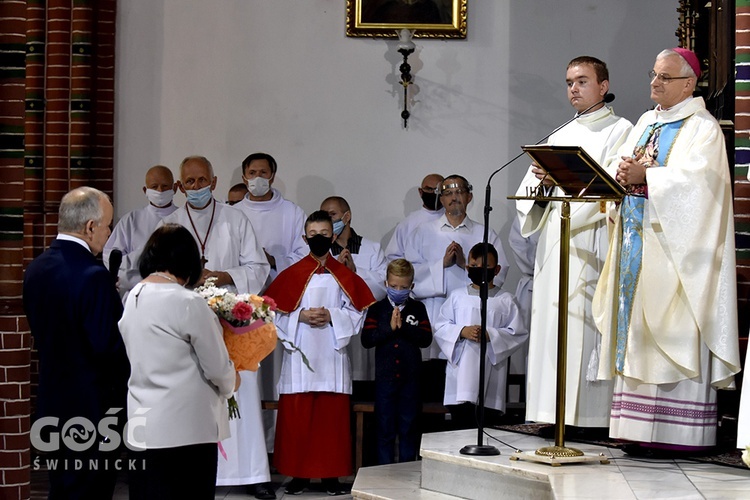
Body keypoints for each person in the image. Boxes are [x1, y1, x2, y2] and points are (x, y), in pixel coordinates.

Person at [593, 48, 741, 452]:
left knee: (670, 333)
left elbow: (702, 190)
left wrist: (648, 177)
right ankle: (635, 431)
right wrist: (623, 177)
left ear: (689, 84)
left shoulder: (703, 129)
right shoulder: (646, 121)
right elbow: (630, 168)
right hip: (638, 247)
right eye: (653, 74)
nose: (654, 83)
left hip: (676, 255)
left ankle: (678, 433)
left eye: (665, 77)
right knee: (638, 333)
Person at [513, 56, 633, 432]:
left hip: (592, 241)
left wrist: (564, 194)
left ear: (603, 85)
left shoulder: (622, 130)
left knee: (584, 327)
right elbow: (529, 197)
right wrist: (544, 184)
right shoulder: (561, 133)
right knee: (553, 326)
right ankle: (551, 413)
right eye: (568, 82)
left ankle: (589, 417)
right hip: (556, 240)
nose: (574, 89)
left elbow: (616, 188)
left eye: (582, 81)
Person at [159, 155, 273, 499]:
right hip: (188, 318)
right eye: (189, 182)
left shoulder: (236, 219)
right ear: (180, 187)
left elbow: (258, 266)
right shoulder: (172, 226)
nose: (196, 187)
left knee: (241, 392)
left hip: (232, 317)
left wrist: (223, 276)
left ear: (215, 180)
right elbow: (160, 270)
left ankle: (251, 473)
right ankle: (199, 473)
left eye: (202, 180)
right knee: (196, 396)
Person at [119, 224, 240, 499]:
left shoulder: (133, 296)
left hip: (143, 423)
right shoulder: (187, 302)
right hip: (186, 430)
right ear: (187, 260)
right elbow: (217, 367)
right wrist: (232, 381)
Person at [23, 186, 130, 499]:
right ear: (90, 227)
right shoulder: (92, 276)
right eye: (108, 225)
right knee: (91, 491)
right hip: (93, 409)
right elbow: (106, 347)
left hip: (52, 399)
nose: (109, 233)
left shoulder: (36, 268)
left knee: (64, 488)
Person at [264, 211, 376, 496]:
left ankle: (331, 477)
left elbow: (357, 311)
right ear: (305, 238)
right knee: (299, 419)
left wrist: (332, 316)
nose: (318, 239)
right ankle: (298, 476)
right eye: (313, 235)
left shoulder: (344, 276)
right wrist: (299, 317)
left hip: (331, 354)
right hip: (301, 355)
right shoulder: (291, 274)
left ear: (334, 236)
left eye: (324, 234)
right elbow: (273, 313)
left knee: (331, 421)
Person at [232, 152, 307, 498]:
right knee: (246, 383)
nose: (258, 177)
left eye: (264, 172)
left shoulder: (292, 213)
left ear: (273, 175)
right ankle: (247, 455)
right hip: (239, 309)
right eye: (252, 172)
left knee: (276, 381)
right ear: (244, 176)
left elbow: (303, 256)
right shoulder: (231, 214)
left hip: (280, 304)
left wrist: (270, 261)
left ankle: (274, 453)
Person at [403, 174, 510, 407]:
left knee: (469, 393)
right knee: (432, 389)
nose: (454, 198)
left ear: (469, 197)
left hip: (471, 324)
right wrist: (440, 265)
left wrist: (465, 264)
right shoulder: (422, 232)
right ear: (441, 199)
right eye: (448, 193)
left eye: (459, 192)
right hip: (434, 316)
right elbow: (408, 275)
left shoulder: (485, 234)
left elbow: (499, 275)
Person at [434, 243, 527, 429]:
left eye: (485, 267)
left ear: (497, 269)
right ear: (467, 268)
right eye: (474, 266)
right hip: (460, 374)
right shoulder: (457, 297)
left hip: (491, 375)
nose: (479, 271)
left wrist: (490, 334)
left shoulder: (506, 300)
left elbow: (517, 333)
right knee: (461, 425)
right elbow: (440, 326)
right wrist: (462, 331)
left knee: (487, 424)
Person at [361, 258, 432, 464]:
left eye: (403, 287)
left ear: (412, 286)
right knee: (384, 429)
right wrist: (389, 328)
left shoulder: (418, 309)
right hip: (385, 380)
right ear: (386, 284)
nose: (398, 290)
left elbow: (426, 338)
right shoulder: (377, 309)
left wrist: (405, 328)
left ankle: (408, 474)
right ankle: (384, 474)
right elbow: (367, 339)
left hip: (411, 381)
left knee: (409, 428)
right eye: (393, 286)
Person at [321, 195, 387, 382]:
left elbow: (383, 286)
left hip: (367, 323)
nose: (328, 220)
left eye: (332, 214)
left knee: (365, 381)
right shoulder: (321, 252)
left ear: (347, 216)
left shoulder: (371, 249)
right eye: (324, 215)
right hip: (334, 325)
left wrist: (355, 273)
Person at [103, 165, 178, 300]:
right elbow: (111, 258)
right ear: (145, 190)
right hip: (137, 293)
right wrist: (142, 255)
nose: (160, 191)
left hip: (175, 292)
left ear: (175, 188)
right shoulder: (131, 220)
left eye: (165, 186)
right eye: (154, 187)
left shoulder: (182, 217)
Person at [384, 173, 445, 262]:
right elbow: (393, 257)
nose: (434, 193)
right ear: (421, 192)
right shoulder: (407, 224)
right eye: (429, 189)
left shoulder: (453, 219)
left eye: (438, 190)